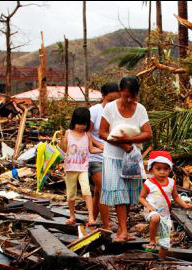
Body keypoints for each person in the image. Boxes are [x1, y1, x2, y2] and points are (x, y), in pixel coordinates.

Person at [99, 76, 153, 242]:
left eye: (133, 96)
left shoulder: (140, 109)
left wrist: (131, 141)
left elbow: (148, 133)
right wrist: (121, 143)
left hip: (131, 157)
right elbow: (102, 132)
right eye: (126, 95)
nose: (129, 99)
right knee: (119, 191)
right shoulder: (110, 108)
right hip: (112, 156)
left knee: (128, 194)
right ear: (120, 92)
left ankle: (123, 228)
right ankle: (122, 231)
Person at [139, 151, 192, 250]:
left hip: (165, 215)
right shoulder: (149, 183)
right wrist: (148, 206)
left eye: (165, 169)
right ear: (151, 170)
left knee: (164, 244)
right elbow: (141, 197)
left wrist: (185, 205)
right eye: (158, 169)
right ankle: (152, 241)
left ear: (170, 170)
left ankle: (161, 259)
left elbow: (176, 197)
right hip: (151, 212)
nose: (162, 172)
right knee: (155, 218)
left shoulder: (171, 183)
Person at [59, 107, 100, 228]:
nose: (81, 126)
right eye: (79, 123)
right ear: (73, 121)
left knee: (86, 191)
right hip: (70, 168)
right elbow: (64, 149)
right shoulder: (68, 133)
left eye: (84, 124)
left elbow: (91, 149)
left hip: (83, 168)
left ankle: (91, 217)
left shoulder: (87, 135)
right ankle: (72, 216)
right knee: (71, 194)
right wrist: (61, 140)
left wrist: (103, 149)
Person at [89, 82, 120, 229]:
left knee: (98, 191)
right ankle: (106, 225)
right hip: (95, 157)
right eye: (110, 100)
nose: (112, 104)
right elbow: (85, 132)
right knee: (104, 188)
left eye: (116, 100)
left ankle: (93, 219)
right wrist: (98, 145)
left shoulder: (118, 112)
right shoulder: (94, 111)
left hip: (112, 157)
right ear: (102, 96)